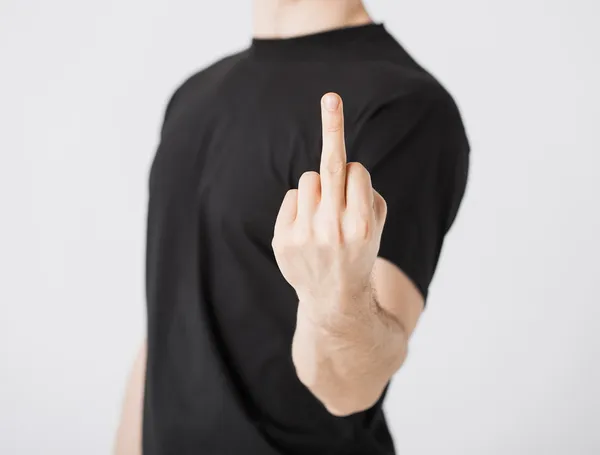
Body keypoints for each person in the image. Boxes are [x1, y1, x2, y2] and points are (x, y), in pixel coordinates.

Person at [114, 1, 470, 454]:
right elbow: (169, 322)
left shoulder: (405, 107)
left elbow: (350, 390)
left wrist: (337, 302)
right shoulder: (194, 94)